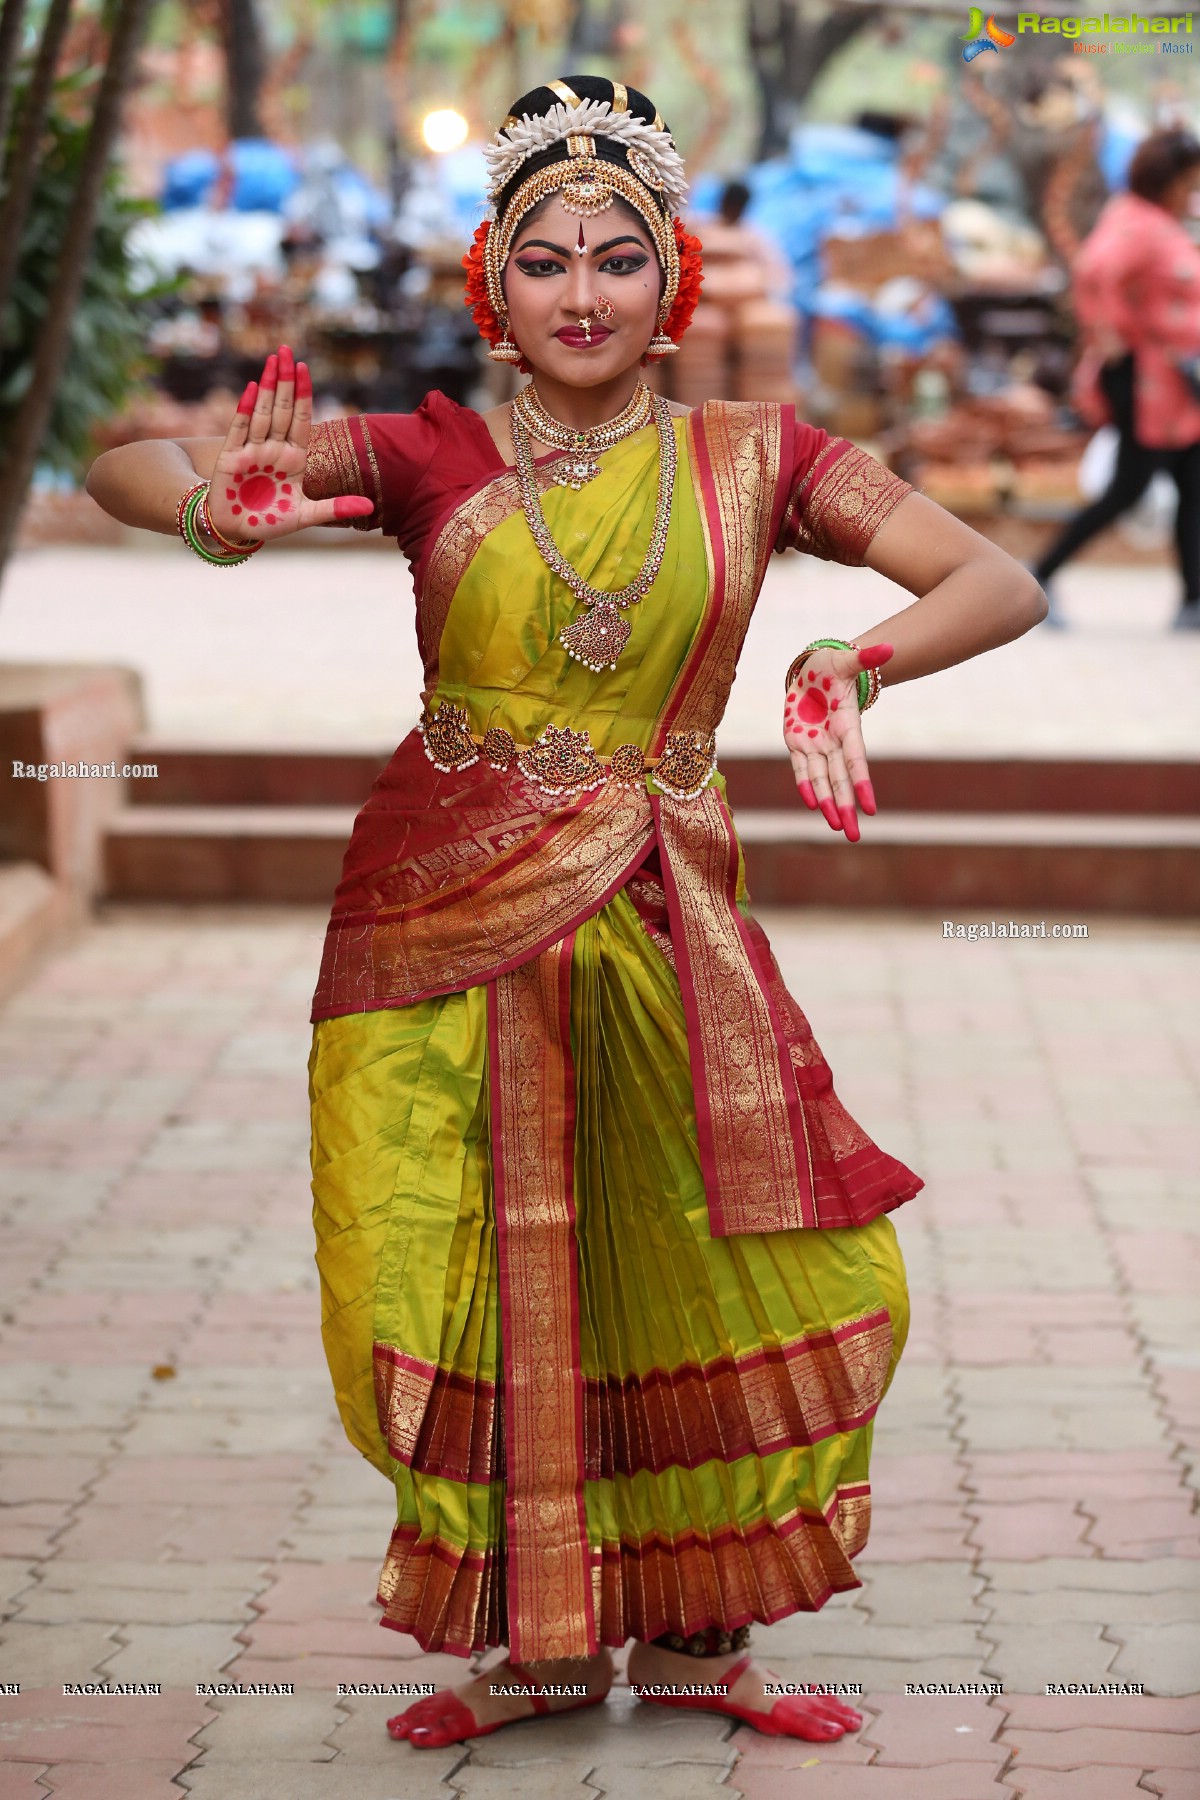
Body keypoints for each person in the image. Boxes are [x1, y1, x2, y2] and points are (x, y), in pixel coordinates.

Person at [86, 74, 1045, 1751]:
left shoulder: (760, 459)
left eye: (618, 255)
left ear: (671, 280)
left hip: (666, 913)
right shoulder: (424, 447)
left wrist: (852, 661)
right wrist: (202, 502)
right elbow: (127, 454)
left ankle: (694, 1639)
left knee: (727, 1243)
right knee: (429, 1261)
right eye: (546, 260)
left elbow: (997, 576)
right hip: (430, 913)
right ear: (493, 285)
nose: (583, 291)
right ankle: (529, 1644)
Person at [1034, 127, 1200, 631]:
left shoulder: (1154, 220)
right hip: (1144, 381)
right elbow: (1094, 272)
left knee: (1193, 485)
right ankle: (1038, 574)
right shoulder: (1137, 224)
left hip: (1173, 385)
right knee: (1129, 487)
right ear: (1170, 178)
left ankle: (1194, 600)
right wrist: (1112, 339)